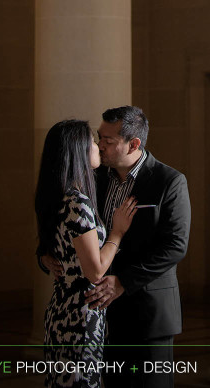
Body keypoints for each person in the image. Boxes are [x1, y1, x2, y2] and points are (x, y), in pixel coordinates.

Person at [42, 106, 191, 388]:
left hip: (147, 312)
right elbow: (62, 222)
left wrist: (123, 282)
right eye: (99, 138)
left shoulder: (168, 181)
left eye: (108, 141)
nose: (100, 146)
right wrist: (46, 255)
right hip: (99, 316)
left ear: (133, 144)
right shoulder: (92, 177)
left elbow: (175, 246)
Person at [35, 119, 137, 387]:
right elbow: (95, 270)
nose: (97, 147)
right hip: (80, 315)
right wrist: (117, 232)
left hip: (61, 309)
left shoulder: (59, 195)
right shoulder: (76, 203)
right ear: (77, 151)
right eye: (92, 142)